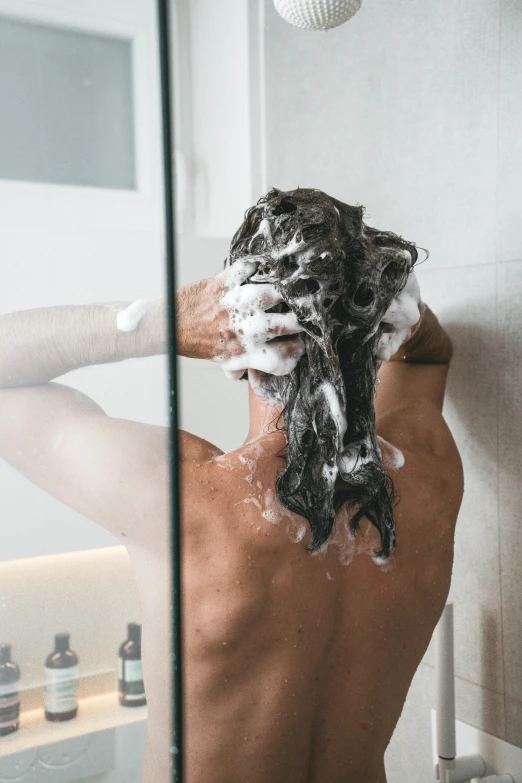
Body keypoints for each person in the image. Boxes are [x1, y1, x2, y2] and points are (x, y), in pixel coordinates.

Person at [0, 188, 462, 783]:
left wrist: (161, 322)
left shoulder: (182, 498)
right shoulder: (429, 472)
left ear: (235, 326)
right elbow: (430, 355)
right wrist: (375, 316)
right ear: (381, 332)